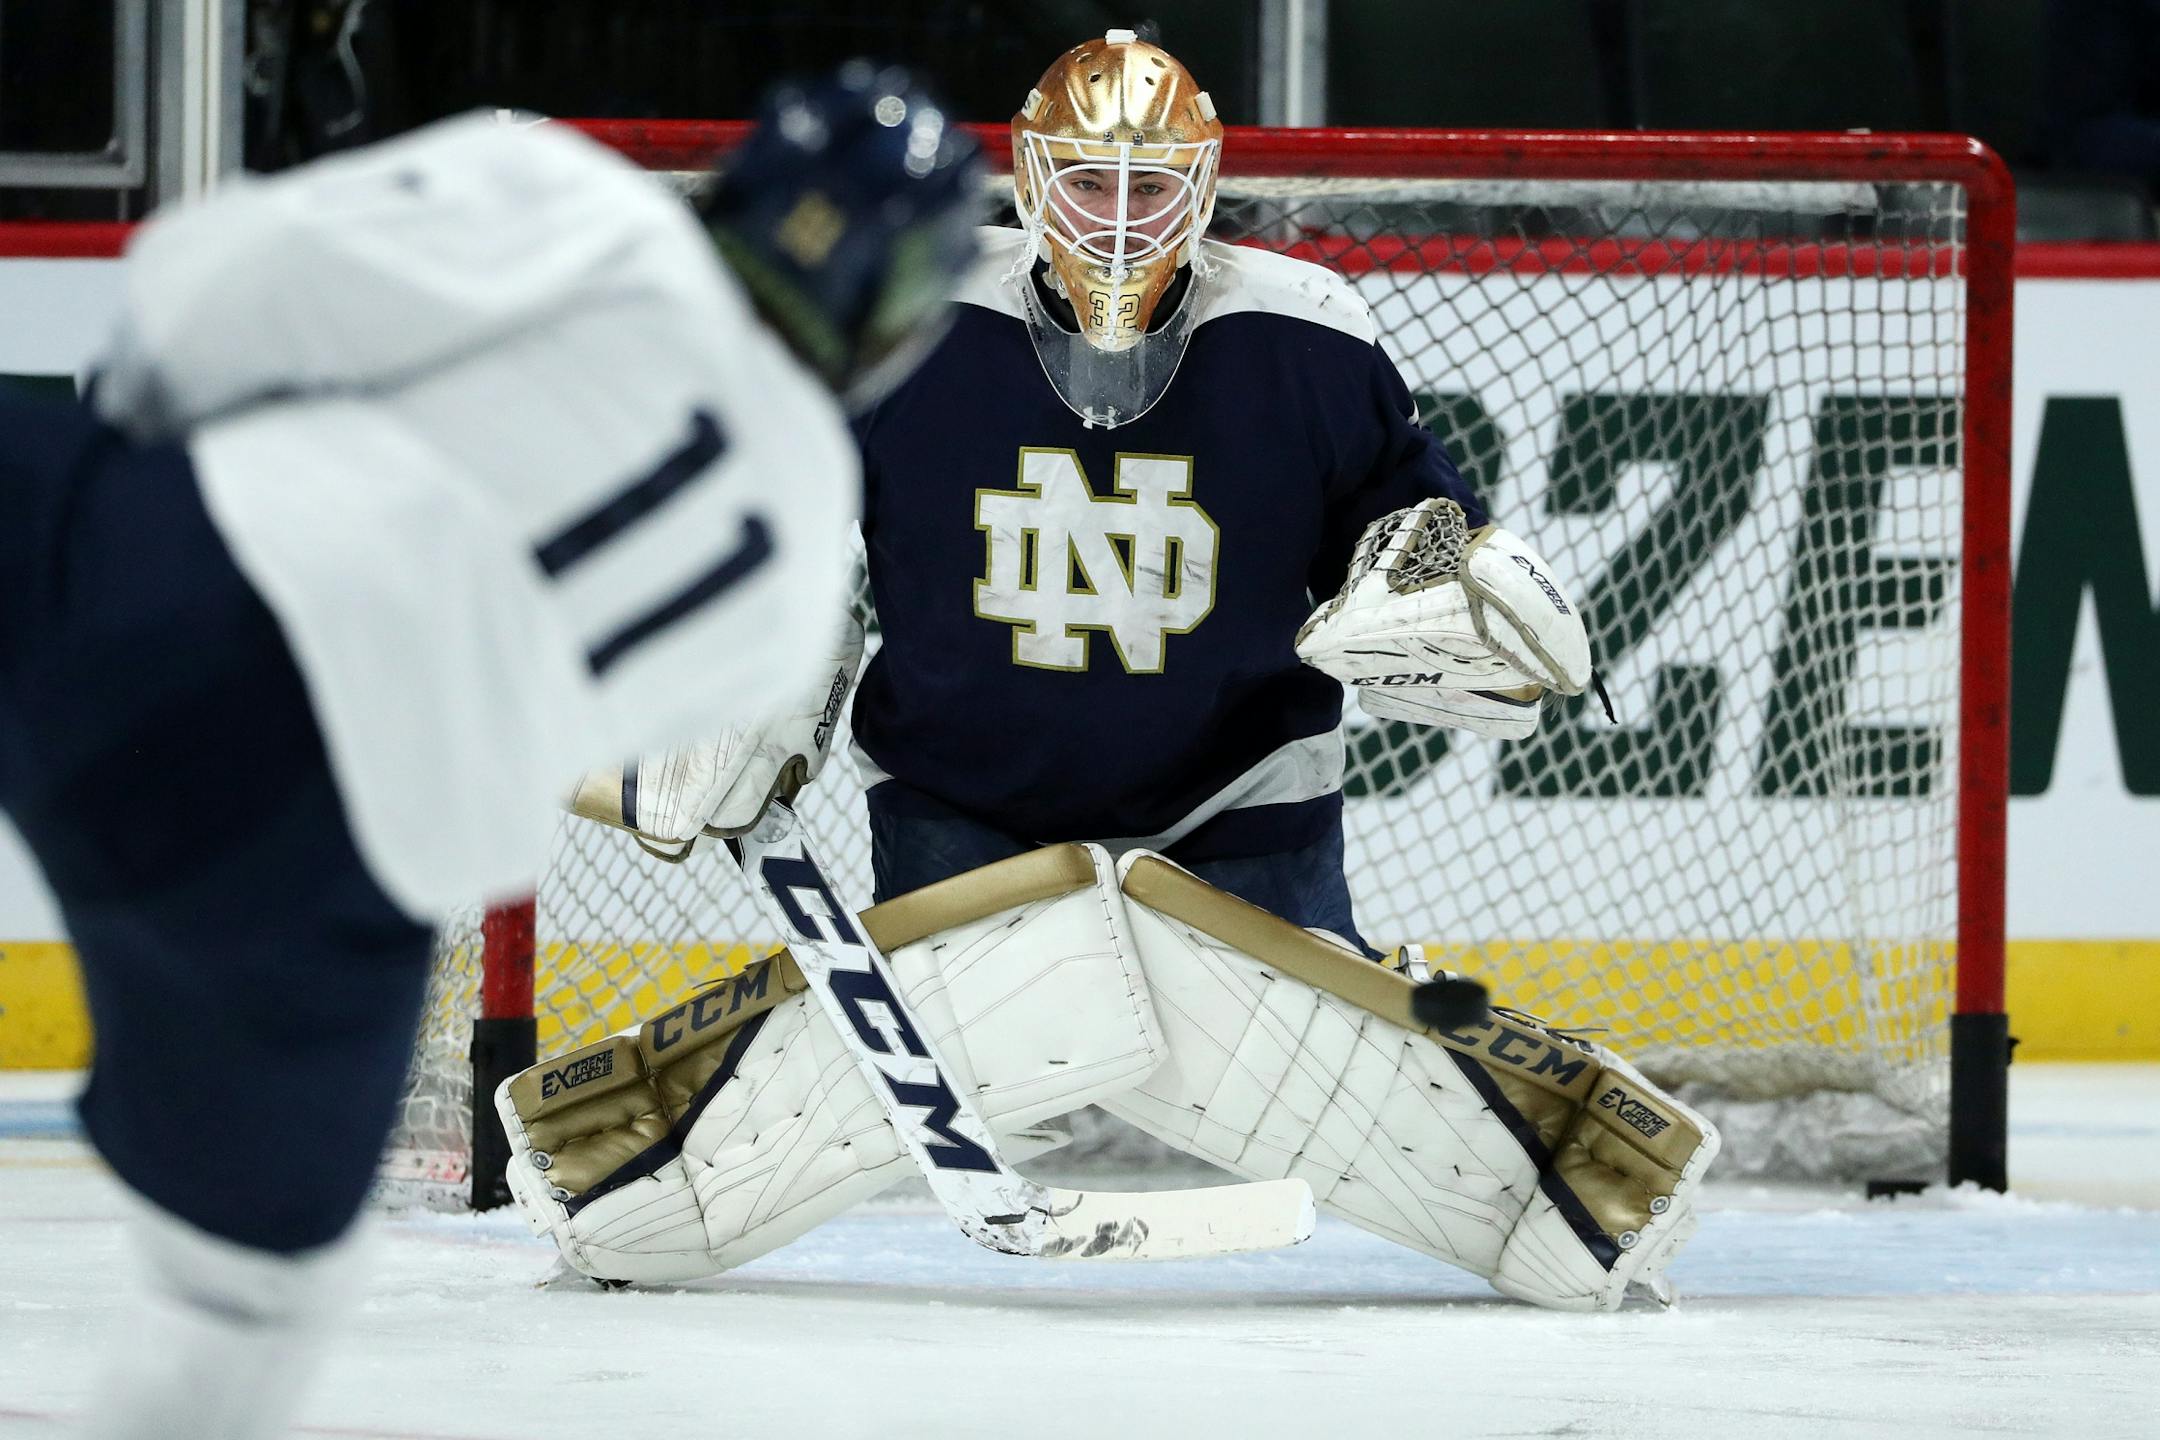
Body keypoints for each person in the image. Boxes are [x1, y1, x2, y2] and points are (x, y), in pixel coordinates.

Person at [515, 32, 1715, 1314]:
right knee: (951, 1058)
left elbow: (1409, 525)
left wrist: (1448, 592)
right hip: (968, 792)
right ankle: (620, 1172)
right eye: (1093, 182)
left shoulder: (1307, 333)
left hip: (1237, 789)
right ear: (1034, 177)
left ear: (1205, 183)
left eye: (1154, 185)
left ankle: (1568, 1191)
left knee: (1332, 1086)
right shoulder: (910, 315)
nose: (1123, 218)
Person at [0, 67, 979, 1440]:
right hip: (323, 869)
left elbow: (208, 284)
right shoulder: (802, 561)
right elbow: (627, 752)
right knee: (250, 1301)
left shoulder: (589, 211)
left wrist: (136, 490)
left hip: (170, 581)